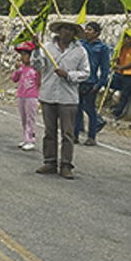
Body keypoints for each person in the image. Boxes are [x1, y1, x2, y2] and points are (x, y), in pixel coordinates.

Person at [32, 20, 90, 180]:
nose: (67, 32)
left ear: (74, 33)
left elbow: (86, 73)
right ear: (59, 31)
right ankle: (50, 161)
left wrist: (69, 75)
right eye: (64, 29)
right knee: (49, 131)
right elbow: (37, 66)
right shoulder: (47, 47)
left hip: (68, 97)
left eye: (71, 30)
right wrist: (36, 49)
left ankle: (66, 164)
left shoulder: (80, 51)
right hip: (48, 94)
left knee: (68, 133)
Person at [75, 21, 110, 146]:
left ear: (97, 33)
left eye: (90, 30)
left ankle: (91, 136)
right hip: (79, 79)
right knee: (77, 108)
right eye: (86, 29)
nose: (87, 32)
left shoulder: (102, 48)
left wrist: (100, 84)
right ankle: (75, 134)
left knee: (90, 109)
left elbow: (105, 68)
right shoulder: (80, 44)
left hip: (91, 82)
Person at [11, 41, 40, 152]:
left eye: (25, 55)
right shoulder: (22, 68)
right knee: (23, 118)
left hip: (31, 96)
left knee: (30, 118)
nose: (23, 57)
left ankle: (31, 139)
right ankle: (25, 137)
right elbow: (14, 79)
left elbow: (39, 82)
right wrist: (17, 69)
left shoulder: (35, 70)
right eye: (21, 55)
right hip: (21, 95)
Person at [110, 34, 131, 120]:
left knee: (125, 94)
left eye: (128, 38)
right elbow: (119, 59)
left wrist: (122, 67)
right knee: (114, 88)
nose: (126, 40)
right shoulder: (122, 48)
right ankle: (113, 106)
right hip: (121, 73)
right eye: (125, 38)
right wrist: (116, 62)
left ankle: (118, 112)